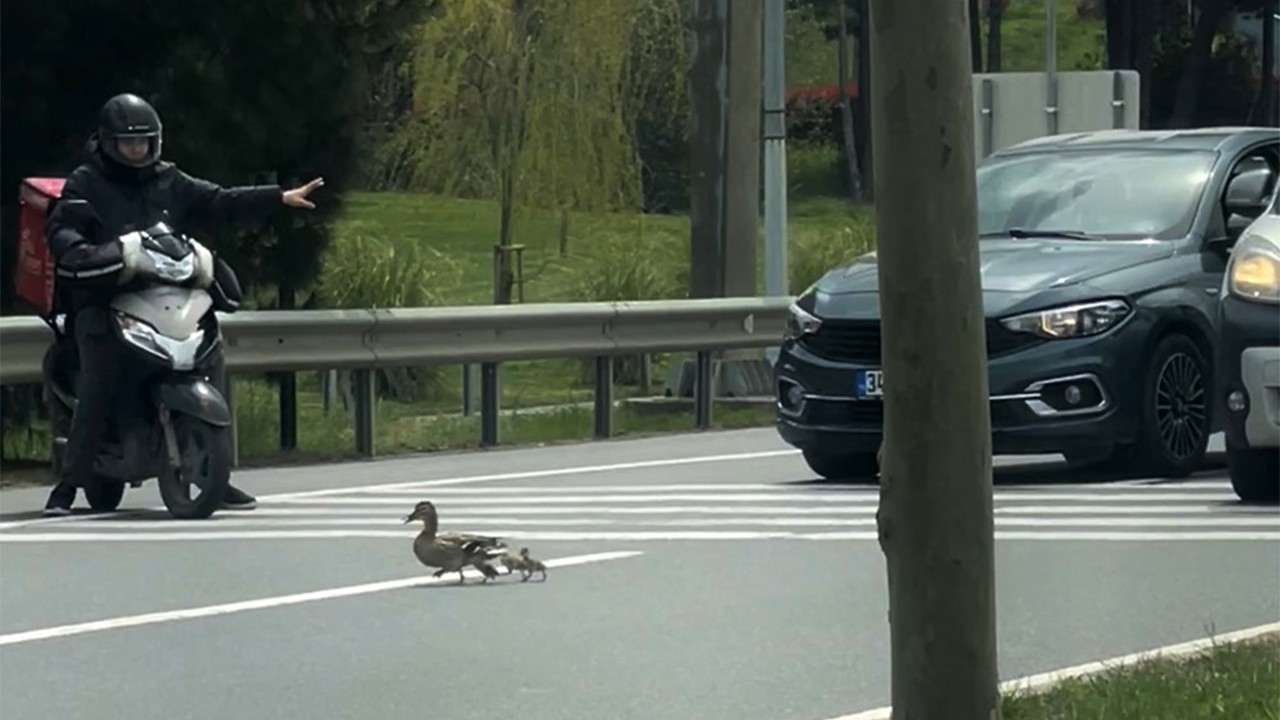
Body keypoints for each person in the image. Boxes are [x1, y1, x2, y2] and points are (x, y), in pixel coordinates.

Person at [41, 92, 325, 517]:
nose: (136, 150)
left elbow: (218, 199)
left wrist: (278, 198)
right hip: (105, 297)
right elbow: (63, 231)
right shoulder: (87, 183)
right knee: (101, 376)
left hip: (164, 295)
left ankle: (215, 473)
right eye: (127, 143)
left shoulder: (168, 178)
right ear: (107, 142)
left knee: (210, 356)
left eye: (144, 142)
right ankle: (68, 485)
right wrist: (86, 251)